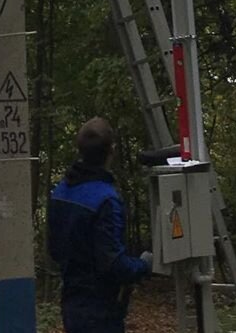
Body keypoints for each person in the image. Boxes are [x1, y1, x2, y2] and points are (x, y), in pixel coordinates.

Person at [48, 117, 152, 333]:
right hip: (101, 311)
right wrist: (144, 265)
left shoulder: (60, 192)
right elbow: (114, 264)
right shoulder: (106, 200)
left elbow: (55, 250)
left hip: (71, 305)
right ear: (111, 151)